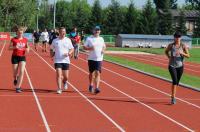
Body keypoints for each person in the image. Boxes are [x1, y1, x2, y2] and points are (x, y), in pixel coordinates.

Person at [165, 31, 190, 104]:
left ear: (180, 38)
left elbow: (188, 56)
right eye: (176, 37)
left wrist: (182, 53)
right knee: (175, 81)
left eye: (179, 37)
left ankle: (173, 94)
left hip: (180, 66)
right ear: (174, 38)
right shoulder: (171, 45)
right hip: (172, 65)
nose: (177, 38)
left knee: (177, 82)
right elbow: (166, 51)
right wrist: (169, 57)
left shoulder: (183, 46)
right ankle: (173, 97)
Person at [50, 27, 74, 94]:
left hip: (66, 60)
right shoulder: (55, 41)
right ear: (59, 32)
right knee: (58, 74)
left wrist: (69, 53)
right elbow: (51, 48)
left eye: (64, 31)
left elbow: (72, 48)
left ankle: (65, 81)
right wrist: (51, 55)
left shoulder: (68, 40)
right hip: (57, 60)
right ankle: (59, 88)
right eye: (62, 31)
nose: (63, 33)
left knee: (66, 77)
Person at [83, 26, 106, 94]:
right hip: (91, 58)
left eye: (98, 30)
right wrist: (89, 48)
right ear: (93, 31)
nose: (97, 31)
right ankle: (91, 84)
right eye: (96, 30)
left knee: (98, 72)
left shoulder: (101, 39)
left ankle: (97, 87)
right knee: (91, 73)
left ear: (100, 31)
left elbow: (104, 46)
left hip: (99, 58)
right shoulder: (89, 38)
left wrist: (103, 50)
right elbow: (84, 47)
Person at [9, 26, 30, 93]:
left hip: (22, 57)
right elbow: (9, 48)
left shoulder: (25, 40)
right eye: (19, 32)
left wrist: (27, 49)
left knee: (22, 71)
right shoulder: (13, 39)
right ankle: (15, 78)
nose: (20, 33)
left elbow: (28, 48)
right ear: (17, 33)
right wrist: (15, 47)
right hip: (15, 57)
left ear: (23, 33)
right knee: (15, 73)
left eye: (21, 32)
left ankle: (18, 87)